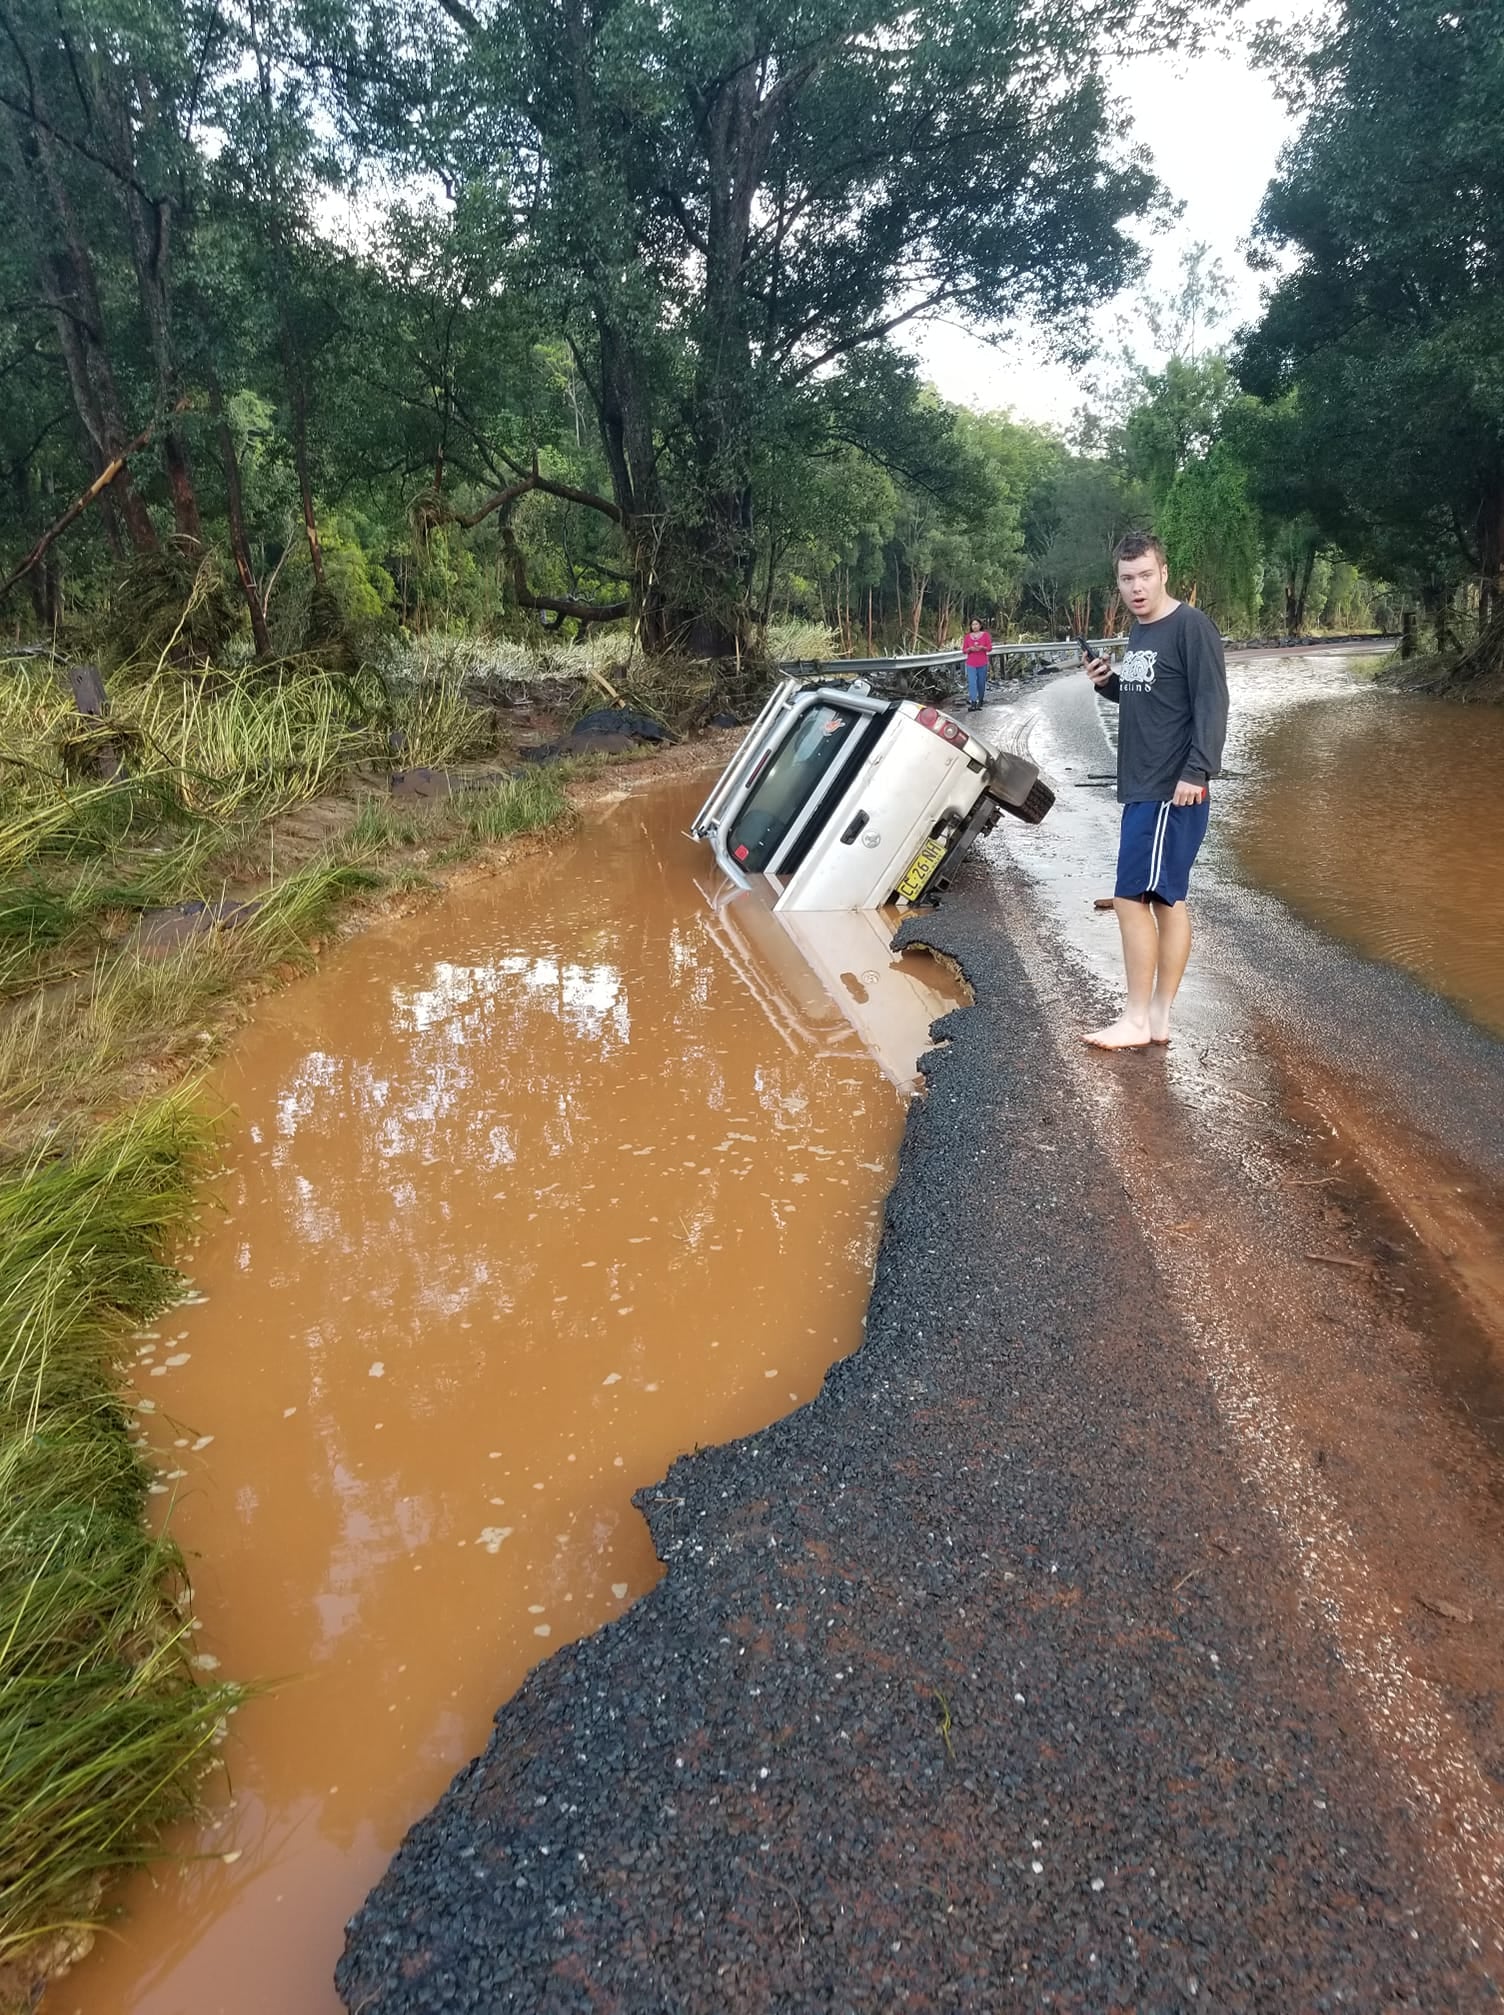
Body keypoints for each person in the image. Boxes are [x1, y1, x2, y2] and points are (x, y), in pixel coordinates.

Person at [1081, 531, 1228, 1050]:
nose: (1137, 587)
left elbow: (1212, 703)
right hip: (1145, 786)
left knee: (1129, 898)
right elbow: (1149, 698)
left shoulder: (1191, 627)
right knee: (1166, 900)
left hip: (1170, 788)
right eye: (1127, 579)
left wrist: (1198, 771)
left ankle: (1137, 1019)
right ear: (1118, 583)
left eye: (1145, 575)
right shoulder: (1141, 632)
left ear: (1163, 572)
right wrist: (1107, 683)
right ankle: (1159, 1016)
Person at [961, 618, 992, 711]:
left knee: (981, 683)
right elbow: (964, 650)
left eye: (976, 624)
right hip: (971, 663)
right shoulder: (967, 637)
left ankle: (980, 700)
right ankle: (973, 702)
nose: (974, 626)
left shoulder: (985, 635)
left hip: (982, 662)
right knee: (972, 682)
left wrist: (983, 648)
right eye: (973, 624)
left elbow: (989, 648)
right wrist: (969, 649)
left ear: (980, 625)